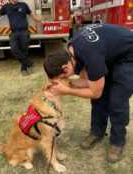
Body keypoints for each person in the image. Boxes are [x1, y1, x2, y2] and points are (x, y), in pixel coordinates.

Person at [43, 24, 133, 163]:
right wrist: (70, 85)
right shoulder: (72, 50)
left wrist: (67, 90)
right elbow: (86, 80)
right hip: (110, 51)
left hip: (128, 55)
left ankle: (117, 141)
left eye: (63, 78)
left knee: (117, 101)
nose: (65, 80)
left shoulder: (90, 55)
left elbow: (95, 92)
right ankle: (97, 132)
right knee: (99, 99)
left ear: (65, 68)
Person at [0, 0, 45, 76]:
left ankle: (24, 69)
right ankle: (29, 63)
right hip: (14, 32)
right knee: (14, 50)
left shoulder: (23, 5)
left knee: (24, 51)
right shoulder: (6, 7)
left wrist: (40, 20)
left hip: (24, 31)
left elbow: (32, 15)